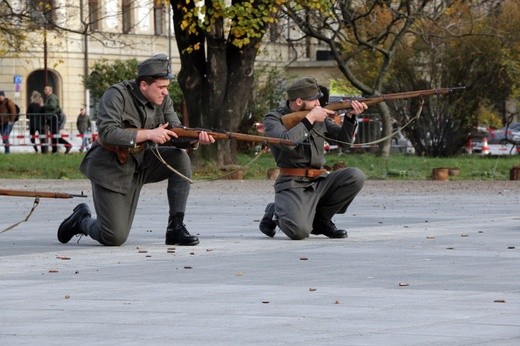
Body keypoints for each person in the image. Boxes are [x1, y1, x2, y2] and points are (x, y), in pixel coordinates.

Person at [57, 54, 215, 247]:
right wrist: (149, 134)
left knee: (180, 159)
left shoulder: (163, 100)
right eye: (161, 87)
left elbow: (176, 132)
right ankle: (81, 220)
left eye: (167, 87)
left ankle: (175, 227)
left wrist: (195, 139)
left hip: (142, 162)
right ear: (143, 85)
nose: (165, 92)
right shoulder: (116, 95)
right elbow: (107, 133)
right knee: (114, 237)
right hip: (111, 167)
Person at [258, 77, 367, 240]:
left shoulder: (318, 116)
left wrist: (350, 117)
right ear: (299, 101)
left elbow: (343, 142)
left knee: (355, 176)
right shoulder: (273, 118)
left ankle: (320, 220)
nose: (318, 103)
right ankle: (275, 211)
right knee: (298, 232)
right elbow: (286, 143)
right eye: (314, 100)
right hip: (292, 183)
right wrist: (309, 120)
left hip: (320, 180)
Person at [42, 85, 71, 154]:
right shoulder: (49, 97)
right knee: (53, 135)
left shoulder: (52, 97)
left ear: (50, 90)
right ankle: (54, 150)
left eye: (45, 89)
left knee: (55, 135)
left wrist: (43, 105)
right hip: (51, 118)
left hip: (54, 118)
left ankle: (68, 145)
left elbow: (53, 106)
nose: (44, 90)